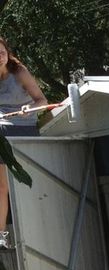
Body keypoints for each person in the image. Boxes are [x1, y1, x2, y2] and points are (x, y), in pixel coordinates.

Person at [0, 37, 47, 247]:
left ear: (7, 53)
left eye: (1, 52)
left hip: (24, 128)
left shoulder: (19, 73)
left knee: (27, 186)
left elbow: (42, 101)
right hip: (2, 130)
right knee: (2, 188)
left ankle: (38, 230)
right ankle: (1, 235)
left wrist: (31, 109)